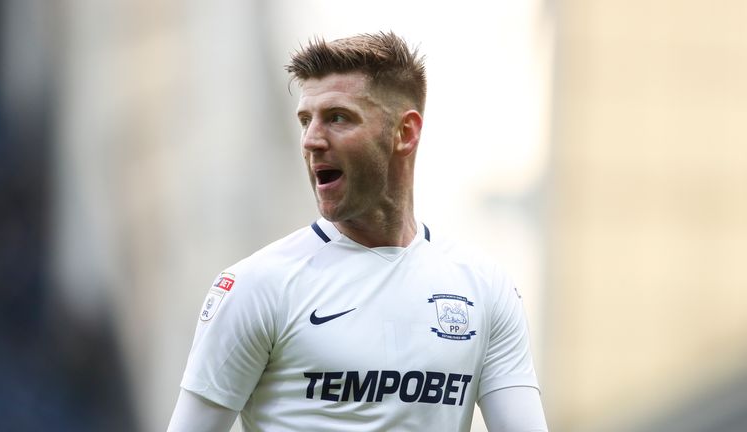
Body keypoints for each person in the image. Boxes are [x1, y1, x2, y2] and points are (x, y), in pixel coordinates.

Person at [167, 31, 548, 432]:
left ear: (405, 133)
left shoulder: (484, 287)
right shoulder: (255, 286)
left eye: (337, 117)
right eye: (305, 120)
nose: (311, 140)